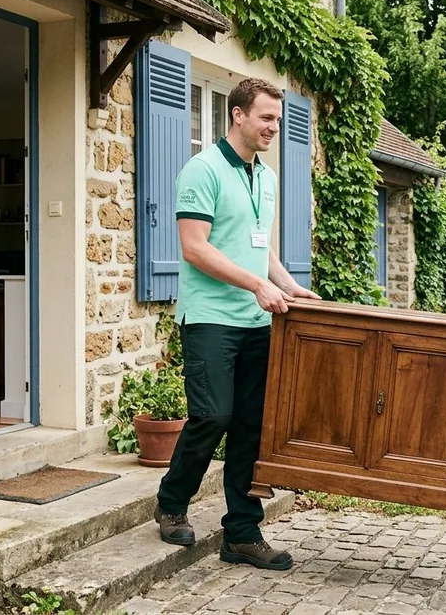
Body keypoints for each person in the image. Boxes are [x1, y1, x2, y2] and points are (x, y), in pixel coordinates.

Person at [155, 77, 320, 571]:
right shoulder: (202, 169)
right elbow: (194, 248)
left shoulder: (266, 177)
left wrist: (287, 285)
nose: (274, 127)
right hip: (210, 317)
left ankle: (242, 533)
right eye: (266, 117)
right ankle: (171, 502)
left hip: (256, 322)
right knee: (213, 416)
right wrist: (256, 286)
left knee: (251, 426)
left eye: (278, 119)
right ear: (238, 114)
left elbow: (258, 246)